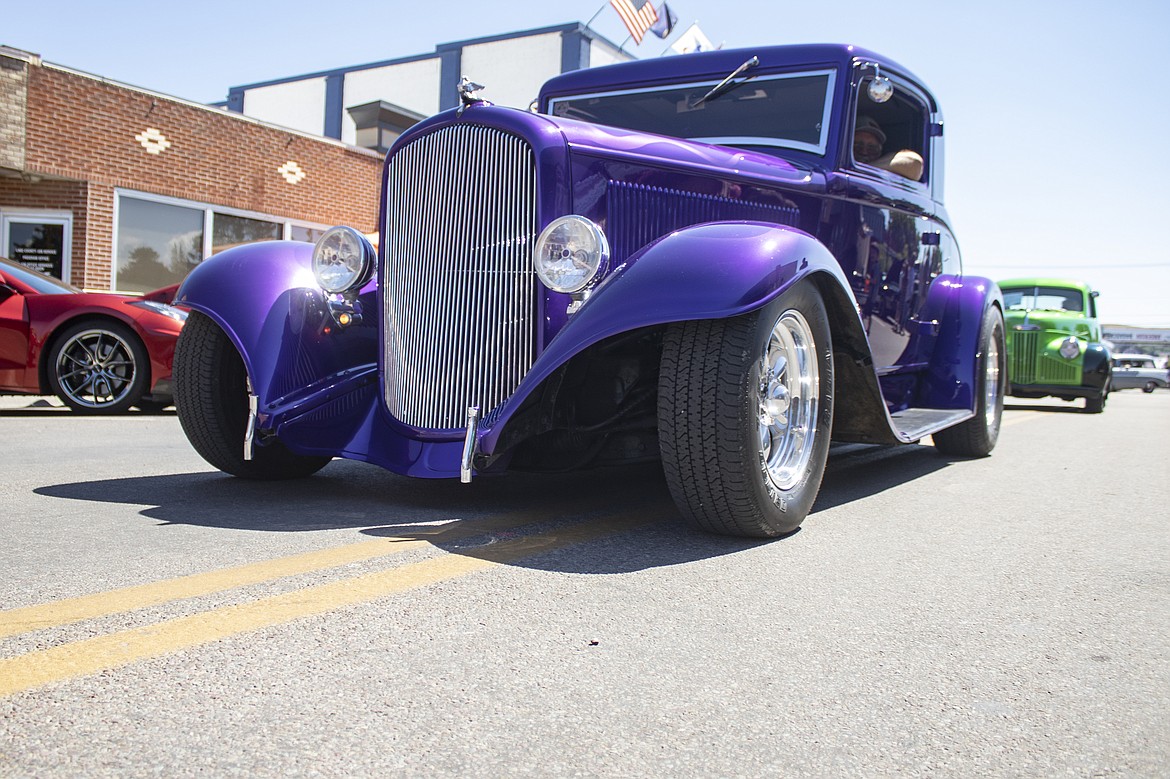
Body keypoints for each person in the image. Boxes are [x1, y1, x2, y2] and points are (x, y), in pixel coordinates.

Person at [853, 115, 925, 181]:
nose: (864, 152)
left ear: (880, 152)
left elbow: (914, 163)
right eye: (858, 145)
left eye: (871, 148)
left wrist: (861, 169)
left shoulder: (886, 176)